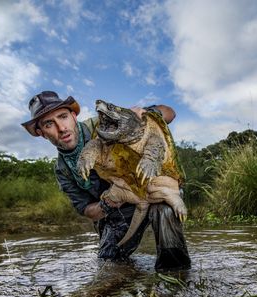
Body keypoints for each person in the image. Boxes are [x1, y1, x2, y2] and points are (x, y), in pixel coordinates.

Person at [21, 91, 191, 271]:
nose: (61, 128)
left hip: (154, 189)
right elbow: (87, 210)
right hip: (117, 211)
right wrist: (110, 200)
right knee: (109, 264)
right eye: (49, 124)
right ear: (41, 133)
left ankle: (175, 276)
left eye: (63, 117)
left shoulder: (105, 123)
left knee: (165, 210)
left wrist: (143, 114)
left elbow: (170, 113)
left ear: (73, 115)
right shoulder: (63, 171)